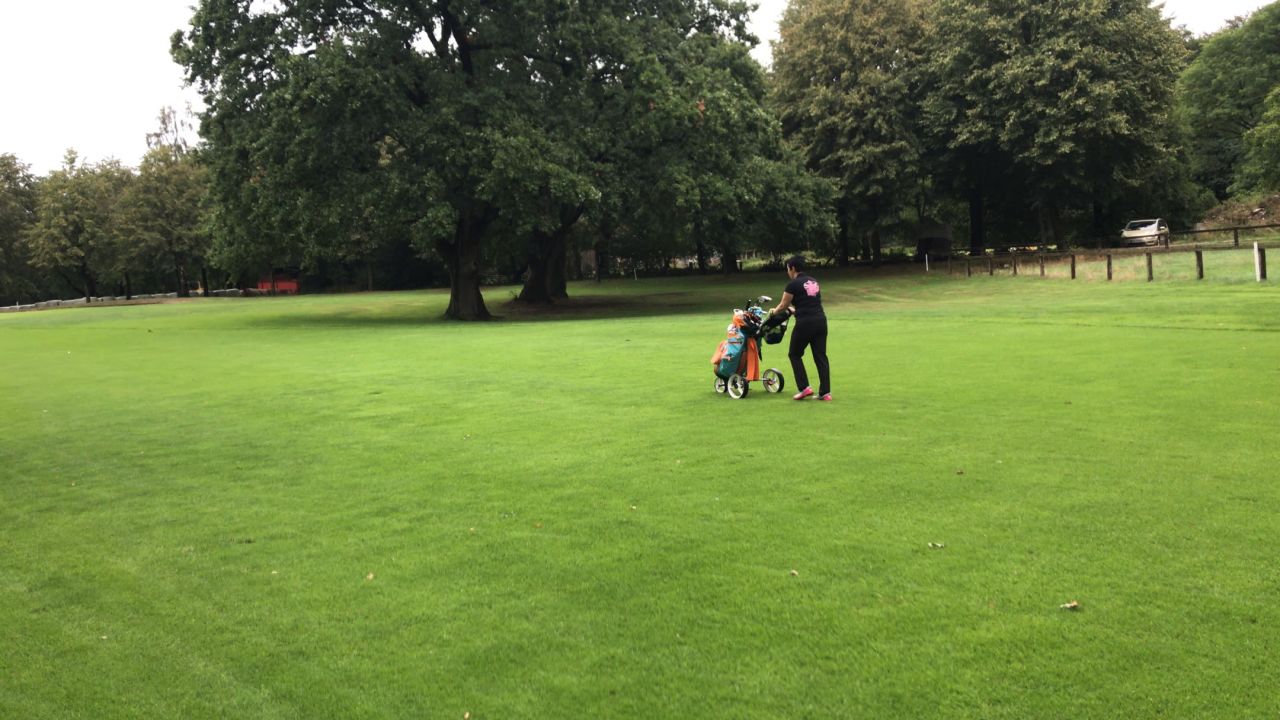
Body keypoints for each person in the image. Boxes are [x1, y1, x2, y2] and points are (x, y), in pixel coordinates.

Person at [771, 255, 831, 401]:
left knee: (794, 354)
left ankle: (804, 388)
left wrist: (773, 312)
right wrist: (795, 310)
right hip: (820, 321)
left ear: (792, 268)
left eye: (787, 269)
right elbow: (809, 303)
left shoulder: (792, 284)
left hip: (805, 323)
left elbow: (783, 305)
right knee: (820, 356)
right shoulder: (813, 281)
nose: (787, 272)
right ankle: (825, 393)